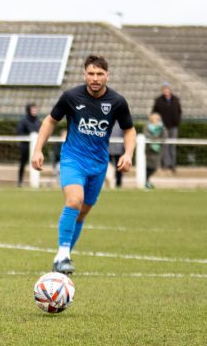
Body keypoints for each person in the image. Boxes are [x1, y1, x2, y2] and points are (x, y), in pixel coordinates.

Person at [31, 54, 136, 275]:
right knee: (74, 201)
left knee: (82, 212)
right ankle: (62, 254)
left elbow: (129, 129)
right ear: (84, 74)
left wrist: (128, 153)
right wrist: (38, 148)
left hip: (98, 165)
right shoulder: (70, 97)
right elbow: (50, 120)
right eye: (91, 73)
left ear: (107, 75)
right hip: (72, 160)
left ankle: (65, 255)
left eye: (99, 74)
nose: (95, 78)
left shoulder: (117, 102)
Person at [152, 82, 181, 172]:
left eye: (167, 89)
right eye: (164, 89)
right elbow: (154, 113)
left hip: (173, 127)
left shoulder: (176, 99)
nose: (166, 91)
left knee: (172, 146)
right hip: (163, 127)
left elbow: (179, 112)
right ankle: (165, 164)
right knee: (165, 146)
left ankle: (172, 165)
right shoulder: (158, 100)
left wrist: (177, 121)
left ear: (170, 90)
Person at [16, 103, 41, 187]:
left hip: (36, 146)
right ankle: (20, 181)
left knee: (37, 162)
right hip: (25, 146)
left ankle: (36, 181)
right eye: (33, 109)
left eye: (35, 109)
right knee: (23, 163)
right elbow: (19, 132)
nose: (35, 111)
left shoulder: (38, 120)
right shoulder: (23, 120)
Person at [144, 112, 167, 189]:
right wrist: (155, 139)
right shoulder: (147, 126)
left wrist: (156, 140)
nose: (154, 120)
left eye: (156, 118)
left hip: (157, 150)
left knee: (154, 167)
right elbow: (146, 135)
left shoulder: (162, 127)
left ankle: (146, 180)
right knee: (147, 167)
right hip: (149, 150)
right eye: (153, 118)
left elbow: (164, 137)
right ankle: (146, 181)